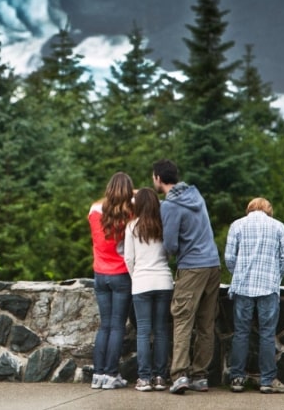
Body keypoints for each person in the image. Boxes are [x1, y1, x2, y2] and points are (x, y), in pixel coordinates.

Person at [152, 158, 221, 394]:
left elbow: (170, 244)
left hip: (192, 267)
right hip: (213, 264)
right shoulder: (196, 196)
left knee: (182, 319)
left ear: (158, 179)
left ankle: (180, 374)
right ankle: (201, 376)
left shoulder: (169, 206)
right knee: (206, 323)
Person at [225, 197, 284, 394]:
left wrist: (238, 272)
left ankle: (237, 378)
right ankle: (267, 380)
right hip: (268, 286)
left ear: (249, 209)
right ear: (268, 210)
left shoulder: (237, 225)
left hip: (242, 287)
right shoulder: (278, 226)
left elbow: (230, 258)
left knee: (241, 333)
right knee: (266, 334)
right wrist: (275, 274)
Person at [123, 186, 174, 392]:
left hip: (142, 282)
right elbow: (170, 252)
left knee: (143, 331)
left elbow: (128, 258)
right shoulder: (164, 226)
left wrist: (136, 277)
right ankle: (160, 377)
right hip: (163, 281)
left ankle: (144, 378)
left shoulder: (132, 227)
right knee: (161, 330)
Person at [88, 171, 135, 390]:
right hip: (121, 274)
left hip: (100, 274)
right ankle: (111, 374)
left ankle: (97, 375)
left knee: (104, 326)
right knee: (117, 326)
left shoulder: (95, 211)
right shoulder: (130, 213)